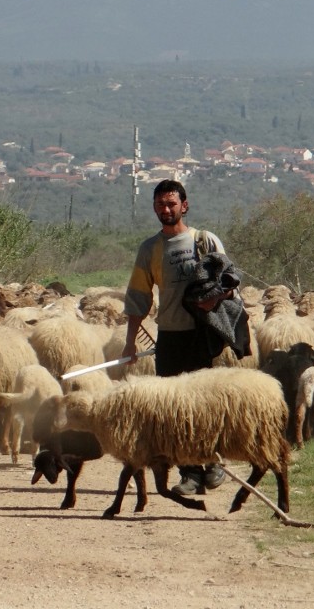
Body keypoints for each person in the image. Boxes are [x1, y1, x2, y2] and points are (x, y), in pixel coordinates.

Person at [120, 179, 228, 496]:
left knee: (206, 403)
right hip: (169, 337)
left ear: (185, 205)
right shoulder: (150, 249)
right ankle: (190, 473)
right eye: (160, 205)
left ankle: (214, 461)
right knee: (173, 410)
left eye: (171, 204)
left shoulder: (204, 241)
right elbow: (139, 297)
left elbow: (229, 280)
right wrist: (129, 341)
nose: (166, 210)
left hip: (203, 335)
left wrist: (216, 298)